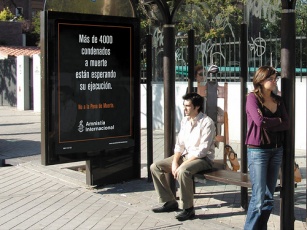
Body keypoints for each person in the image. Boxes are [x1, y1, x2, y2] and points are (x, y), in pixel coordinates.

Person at [150, 92, 216, 221]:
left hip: (203, 159)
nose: (184, 108)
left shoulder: (207, 122)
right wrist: (175, 161)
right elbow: (179, 144)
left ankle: (188, 209)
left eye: (188, 106)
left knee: (183, 171)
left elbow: (202, 151)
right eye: (184, 105)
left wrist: (182, 165)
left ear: (197, 107)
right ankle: (169, 201)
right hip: (185, 156)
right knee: (155, 167)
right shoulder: (185, 120)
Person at [244, 66, 289, 229]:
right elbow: (259, 122)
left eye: (275, 78)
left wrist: (275, 122)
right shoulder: (252, 98)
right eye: (271, 78)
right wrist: (277, 121)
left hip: (276, 150)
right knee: (258, 198)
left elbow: (287, 123)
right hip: (258, 151)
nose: (274, 81)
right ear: (261, 80)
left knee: (269, 198)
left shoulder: (278, 100)